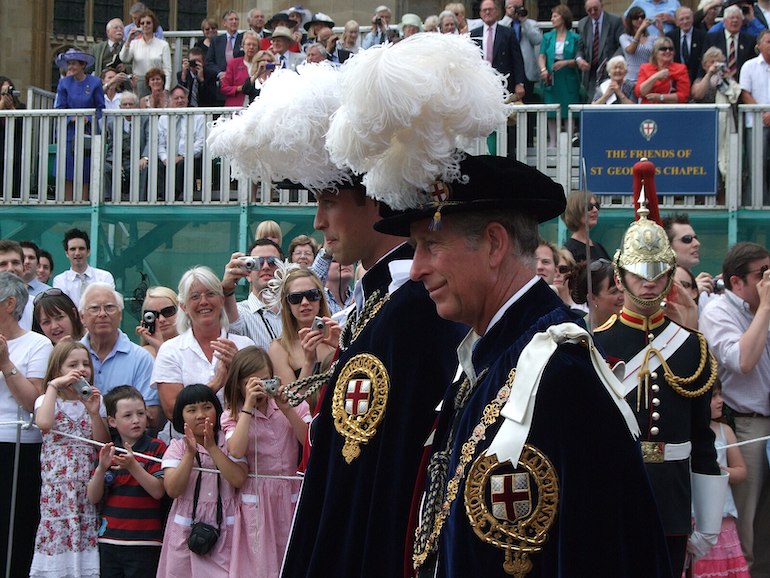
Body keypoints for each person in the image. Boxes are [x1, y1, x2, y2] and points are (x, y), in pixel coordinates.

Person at [372, 154, 673, 577]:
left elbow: (612, 553)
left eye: (431, 245)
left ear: (495, 244)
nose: (417, 268)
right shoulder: (489, 356)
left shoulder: (560, 368)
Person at [594, 166, 724, 576]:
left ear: (669, 274)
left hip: (671, 501)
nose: (648, 283)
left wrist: (706, 522)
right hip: (612, 499)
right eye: (638, 273)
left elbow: (701, 442)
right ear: (620, 275)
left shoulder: (690, 346)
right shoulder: (594, 345)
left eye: (657, 273)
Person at [699, 242, 770, 575]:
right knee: (748, 522)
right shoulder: (718, 312)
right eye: (762, 274)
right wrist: (765, 310)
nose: (768, 280)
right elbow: (742, 360)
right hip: (747, 425)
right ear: (737, 282)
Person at [220, 346, 310, 578]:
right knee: (260, 566)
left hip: (291, 492)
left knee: (294, 559)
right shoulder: (232, 414)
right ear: (239, 384)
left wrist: (287, 409)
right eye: (252, 382)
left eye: (265, 379)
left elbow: (309, 442)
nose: (260, 386)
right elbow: (236, 450)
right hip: (257, 499)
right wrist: (248, 407)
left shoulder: (289, 402)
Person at [31, 340, 110, 578]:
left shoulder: (95, 400)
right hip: (58, 487)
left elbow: (101, 442)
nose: (81, 368)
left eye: (86, 363)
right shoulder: (46, 399)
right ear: (57, 370)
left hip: (85, 482)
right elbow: (44, 424)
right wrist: (53, 387)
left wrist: (94, 412)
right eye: (72, 364)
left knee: (85, 525)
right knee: (58, 527)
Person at [156, 384, 248, 577]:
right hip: (185, 529)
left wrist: (213, 448)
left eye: (207, 407)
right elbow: (172, 489)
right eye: (191, 410)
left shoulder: (230, 442)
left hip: (225, 528)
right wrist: (190, 454)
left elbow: (238, 479)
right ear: (181, 417)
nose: (200, 415)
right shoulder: (177, 447)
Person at [0, 271, 54, 577]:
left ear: (9, 304)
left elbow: (32, 400)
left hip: (18, 446)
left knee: (13, 527)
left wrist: (6, 363)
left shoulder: (38, 344)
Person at [153, 266, 255, 424]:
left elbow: (261, 400)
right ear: (184, 307)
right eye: (195, 297)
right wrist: (216, 384)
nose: (204, 302)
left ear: (221, 300)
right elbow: (172, 411)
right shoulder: (170, 351)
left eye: (210, 294)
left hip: (242, 441)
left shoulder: (245, 345)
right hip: (192, 445)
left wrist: (239, 369)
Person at [86, 385, 167, 578]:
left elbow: (158, 491)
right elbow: (93, 497)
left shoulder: (157, 447)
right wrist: (101, 469)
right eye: (128, 415)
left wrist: (133, 466)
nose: (136, 420)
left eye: (140, 413)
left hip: (145, 541)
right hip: (109, 540)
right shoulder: (109, 450)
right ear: (112, 421)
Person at [692, 382, 750, 578]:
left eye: (720, 395)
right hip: (693, 518)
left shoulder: (725, 431)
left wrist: (720, 470)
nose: (721, 401)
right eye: (714, 397)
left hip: (721, 518)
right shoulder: (686, 432)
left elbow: (741, 472)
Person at [79, 283, 158, 420]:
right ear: (82, 317)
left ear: (120, 314)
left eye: (109, 307)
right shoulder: (69, 356)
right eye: (94, 308)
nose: (102, 314)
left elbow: (151, 415)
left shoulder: (141, 359)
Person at [266, 268, 338, 403]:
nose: (305, 302)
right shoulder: (279, 348)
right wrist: (308, 362)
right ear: (287, 305)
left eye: (312, 295)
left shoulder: (338, 334)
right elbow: (293, 404)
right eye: (296, 298)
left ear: (320, 298)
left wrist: (341, 349)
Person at [54, 49, 106, 201]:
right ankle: (67, 204)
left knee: (85, 170)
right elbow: (59, 108)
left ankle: (84, 203)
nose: (70, 66)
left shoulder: (95, 82)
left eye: (74, 63)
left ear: (82, 65)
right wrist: (72, 118)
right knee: (67, 170)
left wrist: (88, 118)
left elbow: (100, 108)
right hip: (69, 132)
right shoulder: (63, 83)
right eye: (69, 63)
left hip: (88, 133)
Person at [221, 239, 285, 351]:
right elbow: (232, 326)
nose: (265, 267)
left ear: (283, 268)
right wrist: (227, 289)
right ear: (248, 274)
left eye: (272, 261)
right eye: (258, 262)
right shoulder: (240, 312)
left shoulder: (295, 307)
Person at [539, 4, 582, 147]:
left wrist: (565, 63)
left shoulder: (575, 37)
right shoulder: (547, 37)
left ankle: (569, 141)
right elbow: (542, 55)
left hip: (568, 77)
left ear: (563, 18)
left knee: (568, 109)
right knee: (552, 110)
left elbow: (579, 59)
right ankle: (552, 142)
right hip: (552, 78)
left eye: (555, 16)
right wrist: (543, 69)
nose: (552, 19)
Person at [471, 0, 527, 102]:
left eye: (490, 9)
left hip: (504, 83)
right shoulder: (473, 34)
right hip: (481, 85)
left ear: (497, 12)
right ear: (480, 13)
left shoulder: (508, 33)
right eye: (484, 10)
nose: (487, 12)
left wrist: (520, 83)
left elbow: (517, 60)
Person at [576, 0, 625, 102]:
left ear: (602, 7)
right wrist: (579, 59)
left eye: (595, 9)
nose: (593, 12)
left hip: (610, 70)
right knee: (593, 101)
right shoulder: (583, 24)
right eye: (589, 10)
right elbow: (580, 47)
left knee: (611, 100)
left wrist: (613, 62)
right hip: (591, 71)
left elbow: (621, 45)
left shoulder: (615, 21)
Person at [52, 227, 115, 307]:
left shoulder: (104, 277)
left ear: (88, 252)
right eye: (73, 249)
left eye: (81, 249)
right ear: (67, 253)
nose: (77, 253)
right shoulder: (60, 280)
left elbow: (108, 305)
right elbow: (63, 309)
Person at [119, 9, 171, 98]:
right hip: (139, 83)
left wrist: (166, 89)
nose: (145, 25)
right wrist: (128, 40)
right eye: (142, 23)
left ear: (153, 24)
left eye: (148, 23)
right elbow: (124, 58)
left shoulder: (163, 44)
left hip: (156, 83)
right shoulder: (134, 43)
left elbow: (167, 69)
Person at [703, 5, 756, 79]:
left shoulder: (750, 40)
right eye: (732, 18)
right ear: (724, 22)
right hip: (718, 82)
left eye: (738, 18)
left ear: (741, 22)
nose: (735, 20)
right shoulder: (712, 38)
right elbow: (705, 63)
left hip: (743, 82)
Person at [204, 9, 244, 105]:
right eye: (231, 19)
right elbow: (208, 62)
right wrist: (220, 74)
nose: (234, 21)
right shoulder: (216, 41)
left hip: (239, 83)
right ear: (224, 23)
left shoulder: (243, 38)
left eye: (236, 19)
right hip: (221, 85)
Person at [571, 257, 625, 327]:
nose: (623, 296)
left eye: (623, 290)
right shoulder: (579, 333)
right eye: (614, 292)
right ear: (592, 298)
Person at [636, 36, 692, 103]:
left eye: (671, 49)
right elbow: (640, 93)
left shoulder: (680, 69)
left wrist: (660, 97)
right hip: (649, 109)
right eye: (663, 49)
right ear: (655, 53)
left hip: (671, 109)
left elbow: (683, 95)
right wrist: (655, 77)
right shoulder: (645, 68)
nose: (668, 51)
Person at [562, 190, 612, 262]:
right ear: (575, 211)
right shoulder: (569, 251)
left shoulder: (599, 247)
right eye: (589, 207)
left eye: (597, 206)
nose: (595, 210)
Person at [220, 31, 261, 107]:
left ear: (258, 48)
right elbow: (224, 88)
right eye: (248, 44)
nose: (251, 47)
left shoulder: (261, 65)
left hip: (256, 107)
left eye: (254, 45)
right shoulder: (233, 63)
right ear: (243, 46)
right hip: (236, 106)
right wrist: (240, 88)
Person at [135, 285, 179, 358]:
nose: (161, 319)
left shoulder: (196, 347)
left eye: (168, 311)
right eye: (153, 315)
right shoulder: (142, 357)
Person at [668, 6, 707, 83]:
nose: (685, 21)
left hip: (697, 78)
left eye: (687, 18)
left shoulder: (703, 36)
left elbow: (703, 60)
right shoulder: (670, 37)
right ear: (676, 22)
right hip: (676, 78)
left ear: (692, 19)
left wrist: (699, 78)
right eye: (681, 19)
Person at [621, 6, 656, 84]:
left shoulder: (651, 38)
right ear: (630, 20)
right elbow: (631, 50)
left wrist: (660, 29)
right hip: (631, 78)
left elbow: (661, 51)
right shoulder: (624, 37)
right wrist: (640, 30)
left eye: (642, 17)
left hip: (647, 77)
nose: (640, 19)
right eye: (636, 17)